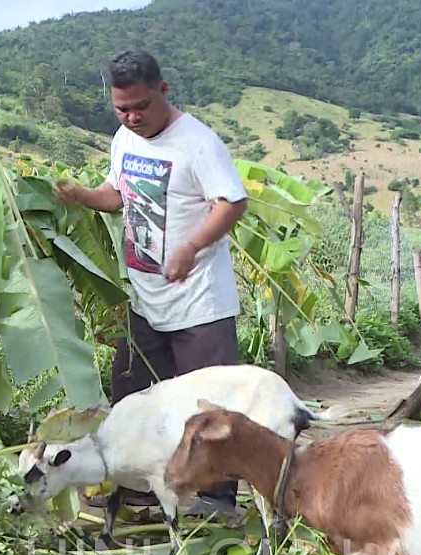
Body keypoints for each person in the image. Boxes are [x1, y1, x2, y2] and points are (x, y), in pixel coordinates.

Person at [53, 48, 248, 517]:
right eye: (122, 108)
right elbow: (119, 195)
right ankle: (140, 490)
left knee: (208, 411)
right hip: (145, 300)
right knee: (132, 400)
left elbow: (232, 203)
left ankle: (214, 503)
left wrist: (190, 247)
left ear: (164, 90)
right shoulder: (124, 138)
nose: (132, 116)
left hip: (200, 304)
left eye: (141, 106)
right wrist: (80, 196)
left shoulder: (198, 143)